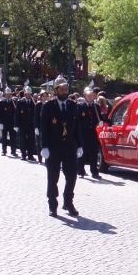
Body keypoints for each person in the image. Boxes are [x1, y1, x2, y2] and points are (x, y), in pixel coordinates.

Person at [41, 77, 83, 217]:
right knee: (53, 177)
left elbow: (77, 127)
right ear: (56, 90)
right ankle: (52, 204)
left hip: (69, 146)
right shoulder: (48, 106)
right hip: (53, 147)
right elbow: (44, 128)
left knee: (72, 176)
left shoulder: (72, 105)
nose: (64, 92)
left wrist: (79, 145)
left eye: (66, 89)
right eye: (62, 90)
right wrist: (44, 146)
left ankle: (68, 201)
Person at [77, 87, 103, 179]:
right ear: (85, 96)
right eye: (89, 96)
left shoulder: (96, 107)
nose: (91, 97)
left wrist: (101, 122)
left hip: (92, 133)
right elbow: (77, 120)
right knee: (82, 152)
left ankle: (94, 171)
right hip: (83, 133)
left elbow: (99, 117)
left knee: (93, 152)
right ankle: (80, 170)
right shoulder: (80, 107)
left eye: (92, 95)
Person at [15, 86, 36, 161]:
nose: (29, 95)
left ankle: (30, 155)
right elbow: (17, 114)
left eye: (30, 94)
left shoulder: (34, 102)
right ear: (25, 94)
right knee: (23, 140)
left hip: (31, 124)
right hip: (22, 124)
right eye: (27, 94)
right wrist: (16, 125)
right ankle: (23, 155)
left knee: (31, 140)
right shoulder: (20, 102)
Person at [0, 88, 18, 157]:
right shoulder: (1, 102)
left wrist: (16, 123)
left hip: (12, 123)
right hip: (4, 123)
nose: (8, 95)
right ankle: (4, 151)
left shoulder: (14, 102)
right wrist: (0, 122)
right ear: (5, 94)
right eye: (7, 94)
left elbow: (16, 113)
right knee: (4, 137)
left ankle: (13, 151)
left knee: (13, 138)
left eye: (9, 94)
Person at [34, 90, 49, 163]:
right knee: (39, 143)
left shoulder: (49, 104)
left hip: (46, 127)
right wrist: (36, 127)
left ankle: (46, 159)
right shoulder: (38, 105)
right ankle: (40, 159)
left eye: (46, 96)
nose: (45, 97)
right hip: (40, 126)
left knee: (46, 143)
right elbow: (36, 116)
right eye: (43, 96)